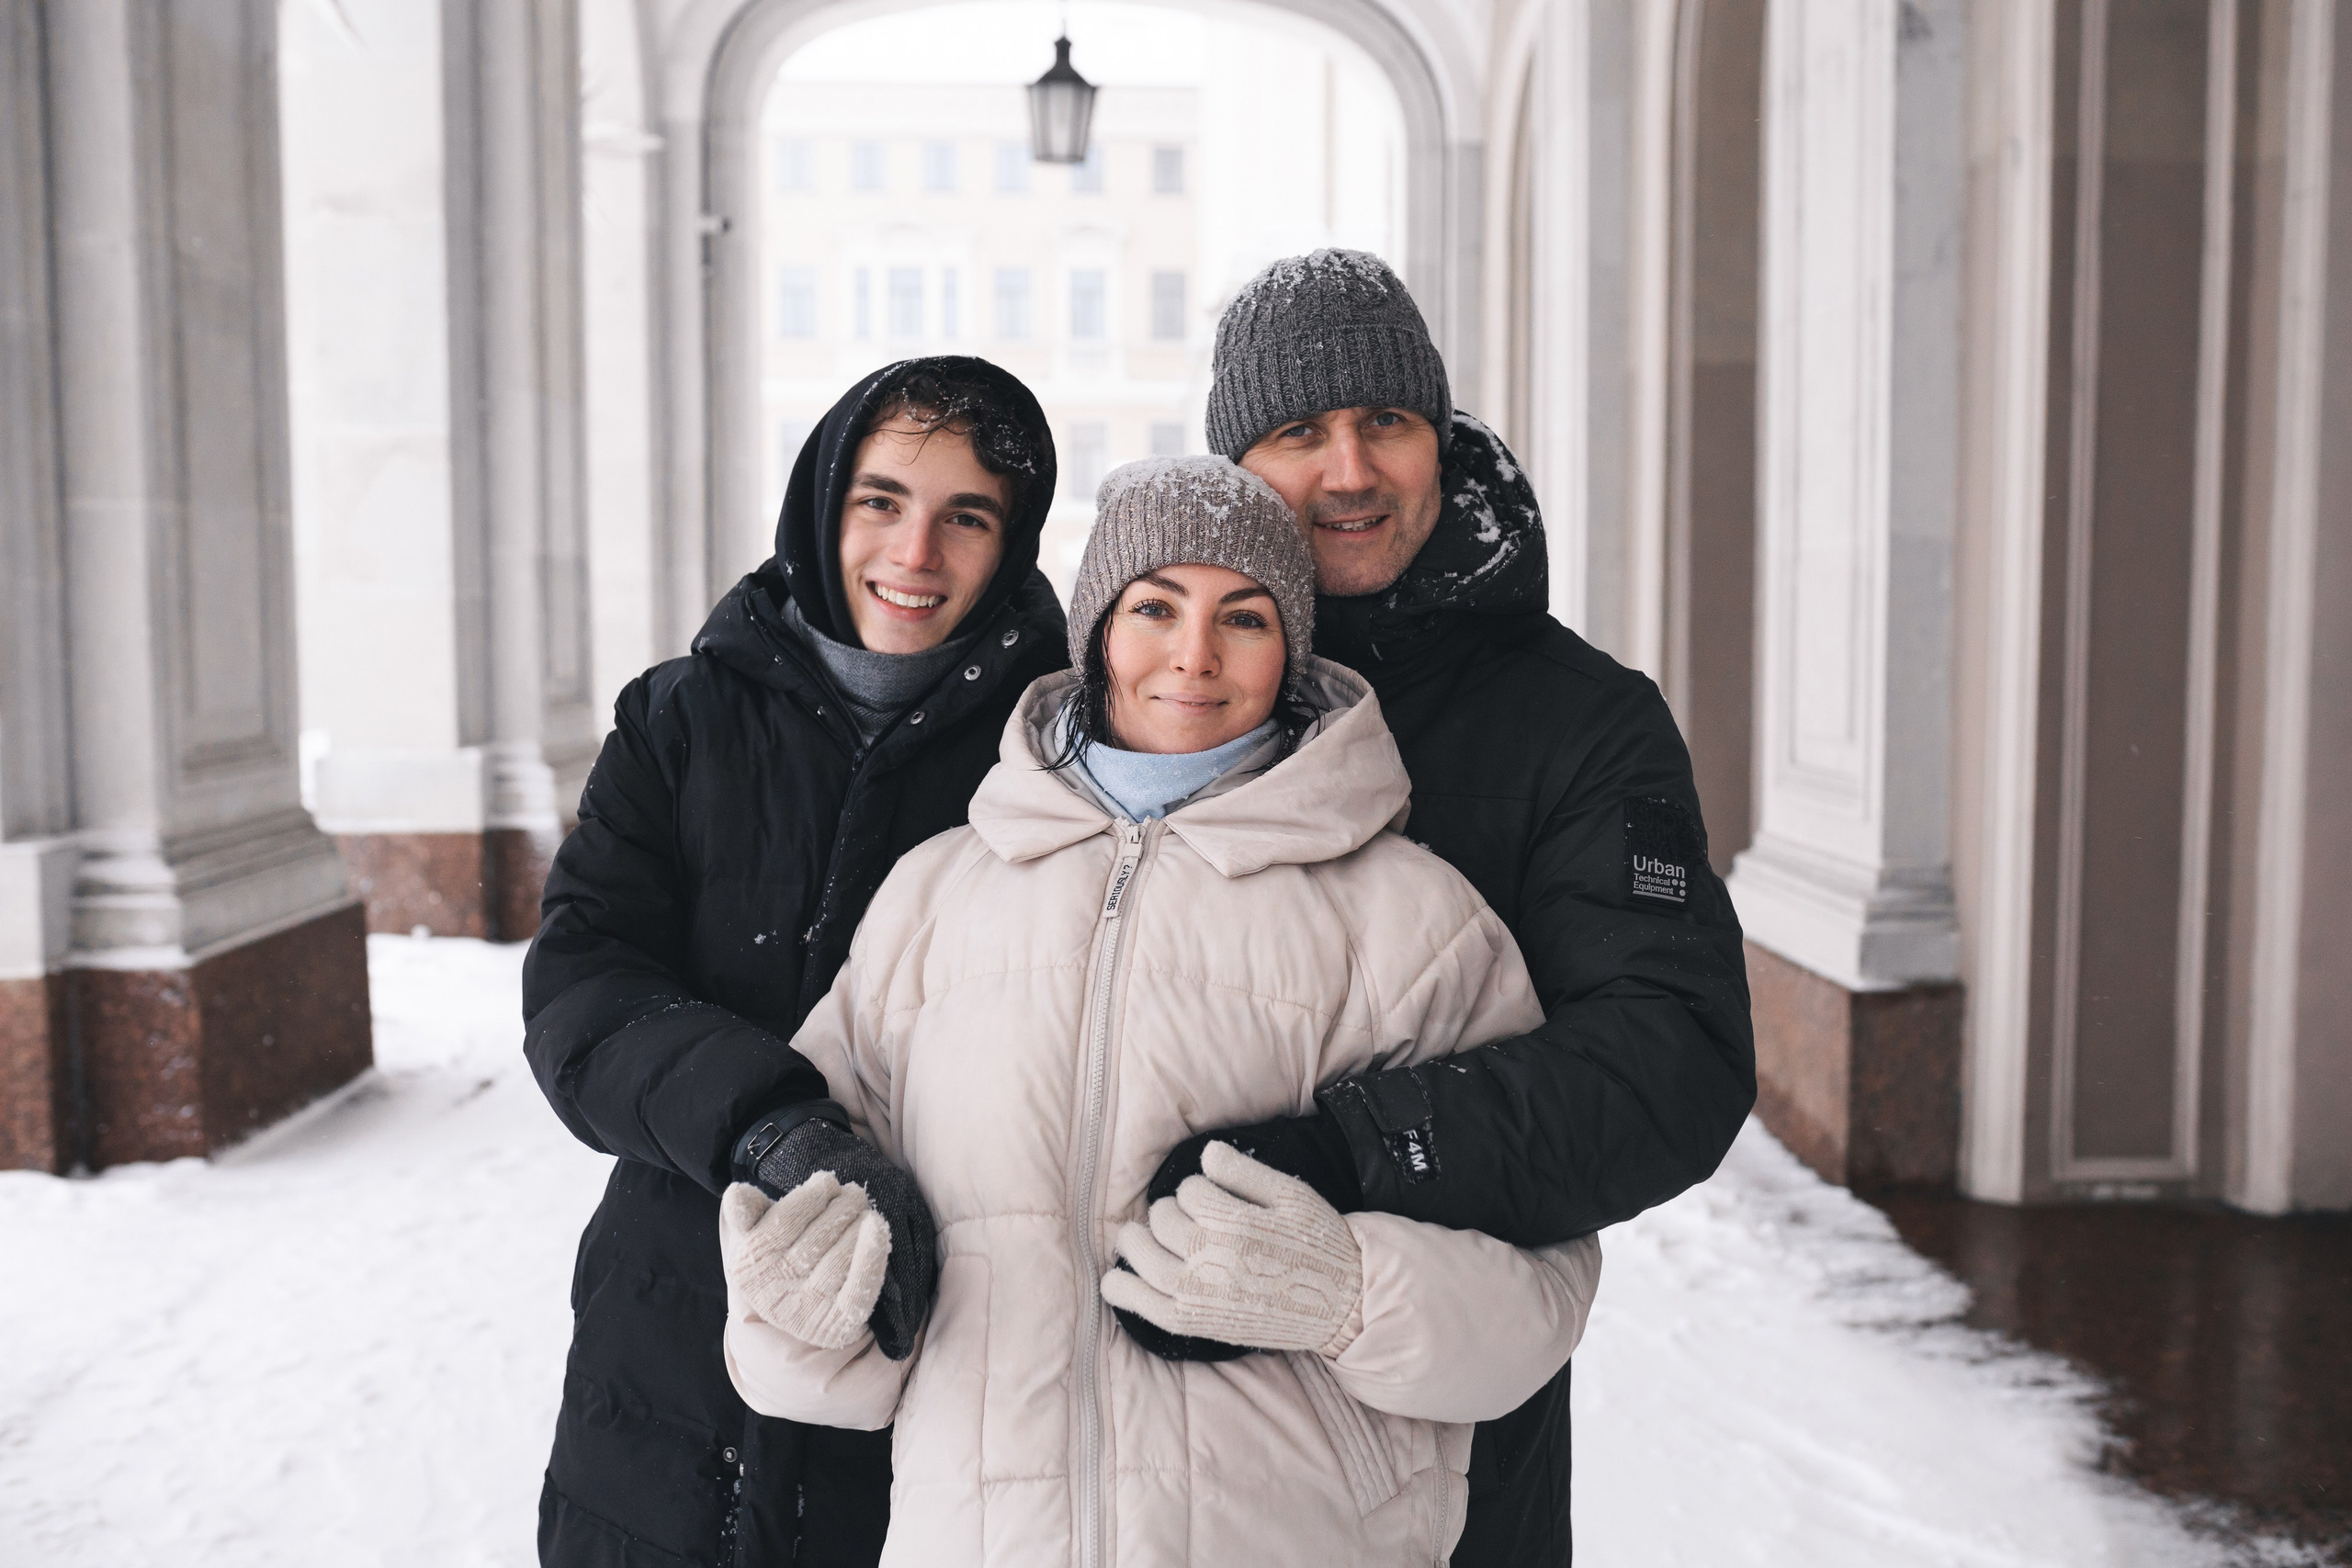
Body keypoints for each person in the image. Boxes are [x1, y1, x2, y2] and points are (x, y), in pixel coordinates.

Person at [716, 456, 1603, 1568]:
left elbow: (1541, 1298)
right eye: (1154, 608)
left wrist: (1344, 1295)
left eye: (1244, 617)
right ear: (1095, 634)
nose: (1194, 655)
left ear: (1291, 651)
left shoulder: (1413, 922)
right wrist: (800, 1318)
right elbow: (827, 1333)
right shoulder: (934, 898)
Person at [1136, 249, 1758, 1565]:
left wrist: (1355, 1154)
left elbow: (1671, 1057)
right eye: (1299, 433)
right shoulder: (1147, 694)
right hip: (1142, 1452)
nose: (1349, 471)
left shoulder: (1583, 724)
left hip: (1445, 1442)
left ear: (1443, 435)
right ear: (1235, 464)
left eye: (1386, 421)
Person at [522, 357, 1068, 1567]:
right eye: (881, 500)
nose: (915, 552)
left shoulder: (1053, 750)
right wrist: (770, 1127)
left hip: (935, 1322)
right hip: (674, 1299)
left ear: (1012, 540)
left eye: (966, 516)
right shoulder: (678, 719)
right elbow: (582, 989)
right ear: (824, 502)